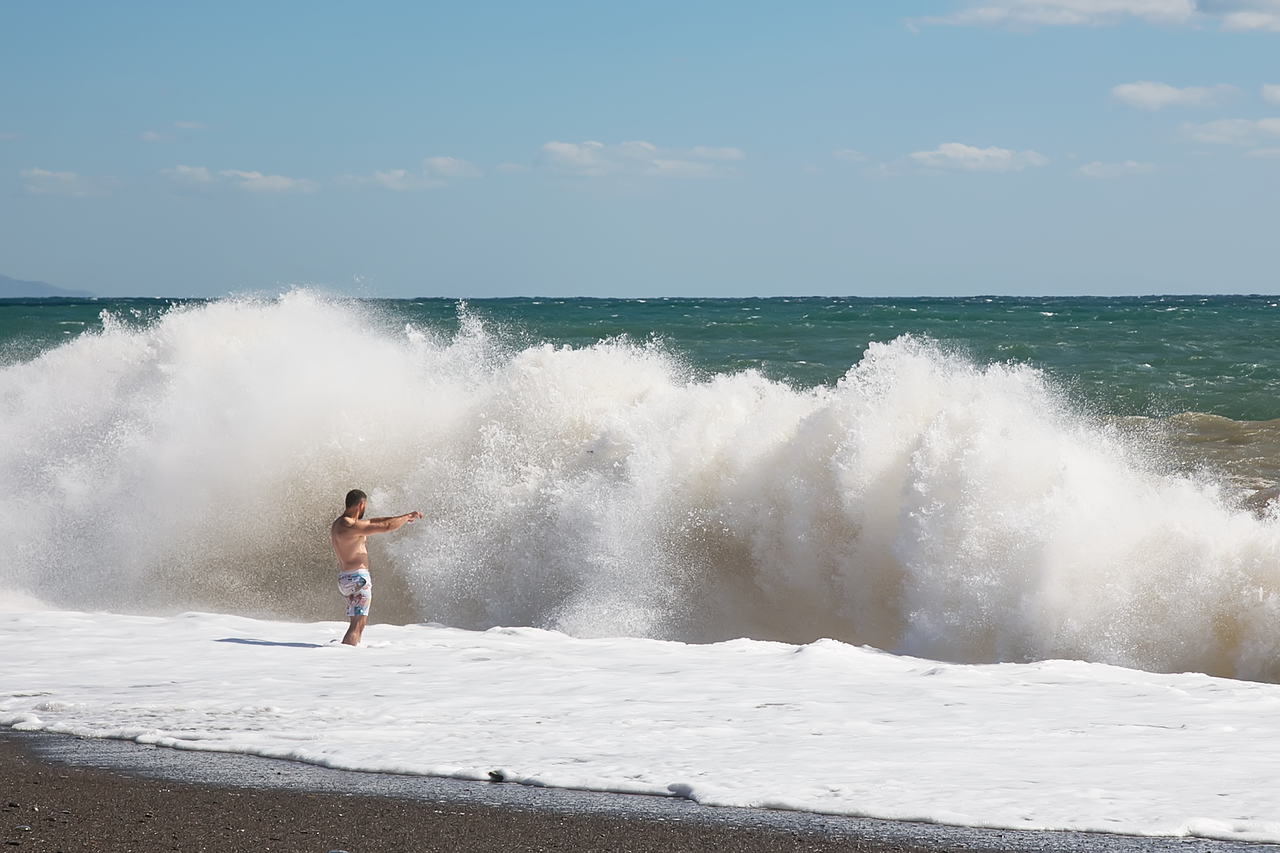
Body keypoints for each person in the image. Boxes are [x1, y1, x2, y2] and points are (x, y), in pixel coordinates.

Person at [329, 489, 423, 646]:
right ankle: (346, 656)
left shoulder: (340, 523)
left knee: (356, 622)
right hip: (357, 579)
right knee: (358, 625)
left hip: (346, 578)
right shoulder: (350, 525)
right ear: (361, 504)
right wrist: (406, 518)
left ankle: (347, 652)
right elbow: (385, 527)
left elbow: (374, 521)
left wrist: (403, 517)